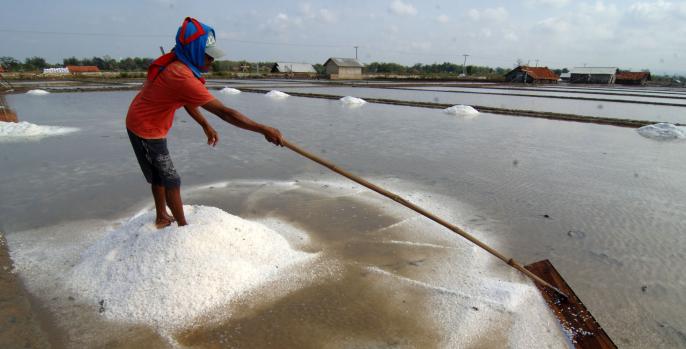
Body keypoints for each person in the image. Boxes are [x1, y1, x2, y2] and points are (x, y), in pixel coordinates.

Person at [126, 17, 283, 229]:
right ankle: (182, 227)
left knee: (160, 174)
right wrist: (263, 129)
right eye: (208, 56)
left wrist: (204, 124)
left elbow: (187, 99)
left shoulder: (180, 64)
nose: (212, 61)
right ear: (195, 52)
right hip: (145, 128)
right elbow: (226, 113)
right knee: (170, 178)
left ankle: (162, 215)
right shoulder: (180, 75)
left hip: (152, 123)